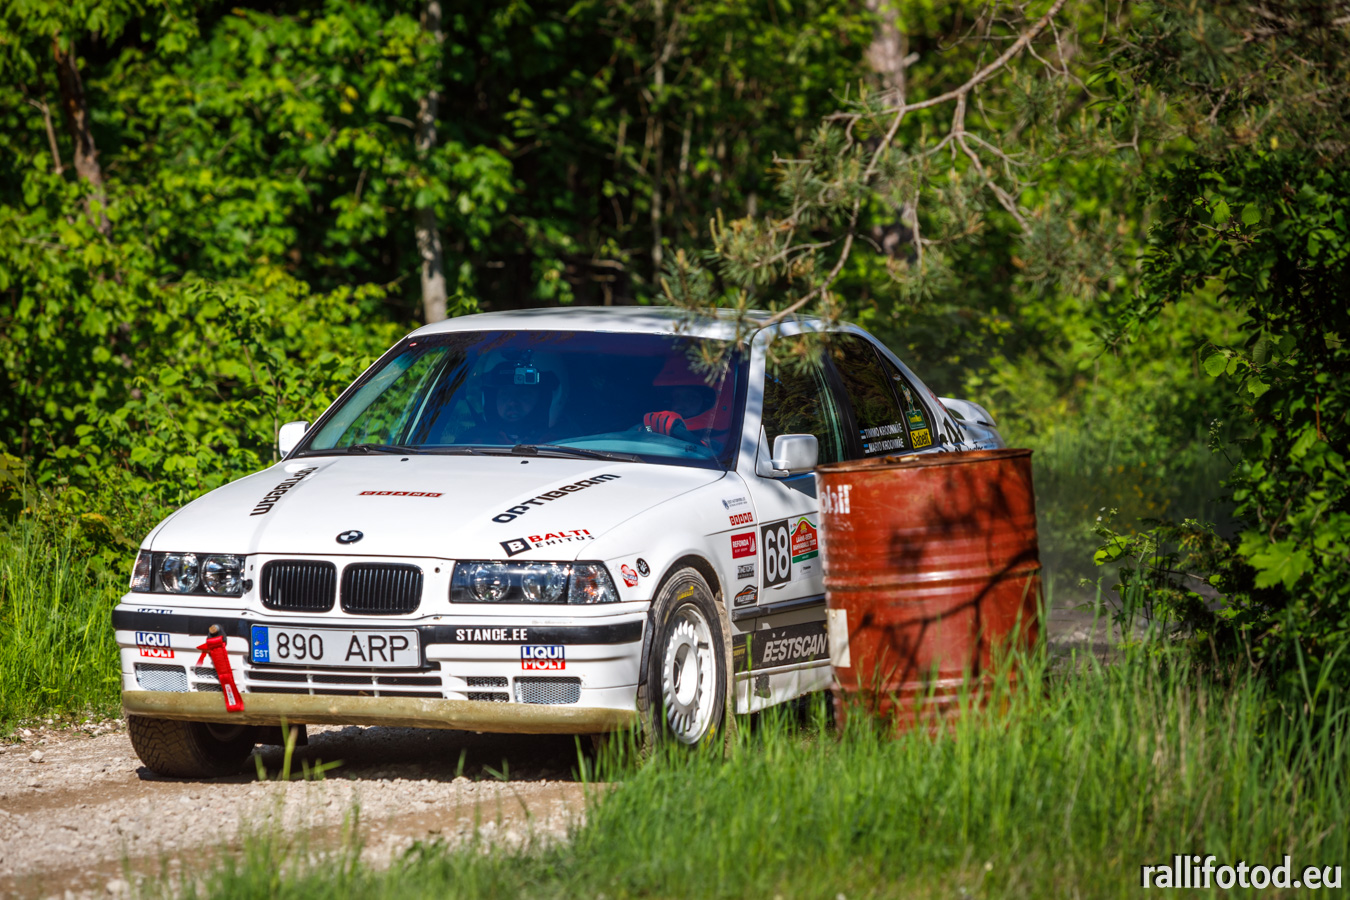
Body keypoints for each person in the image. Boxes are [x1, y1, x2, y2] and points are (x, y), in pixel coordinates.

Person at [461, 361, 558, 445]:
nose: (512, 402)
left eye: (523, 394)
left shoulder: (561, 444)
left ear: (543, 400)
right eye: (505, 394)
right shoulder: (470, 445)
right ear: (491, 401)